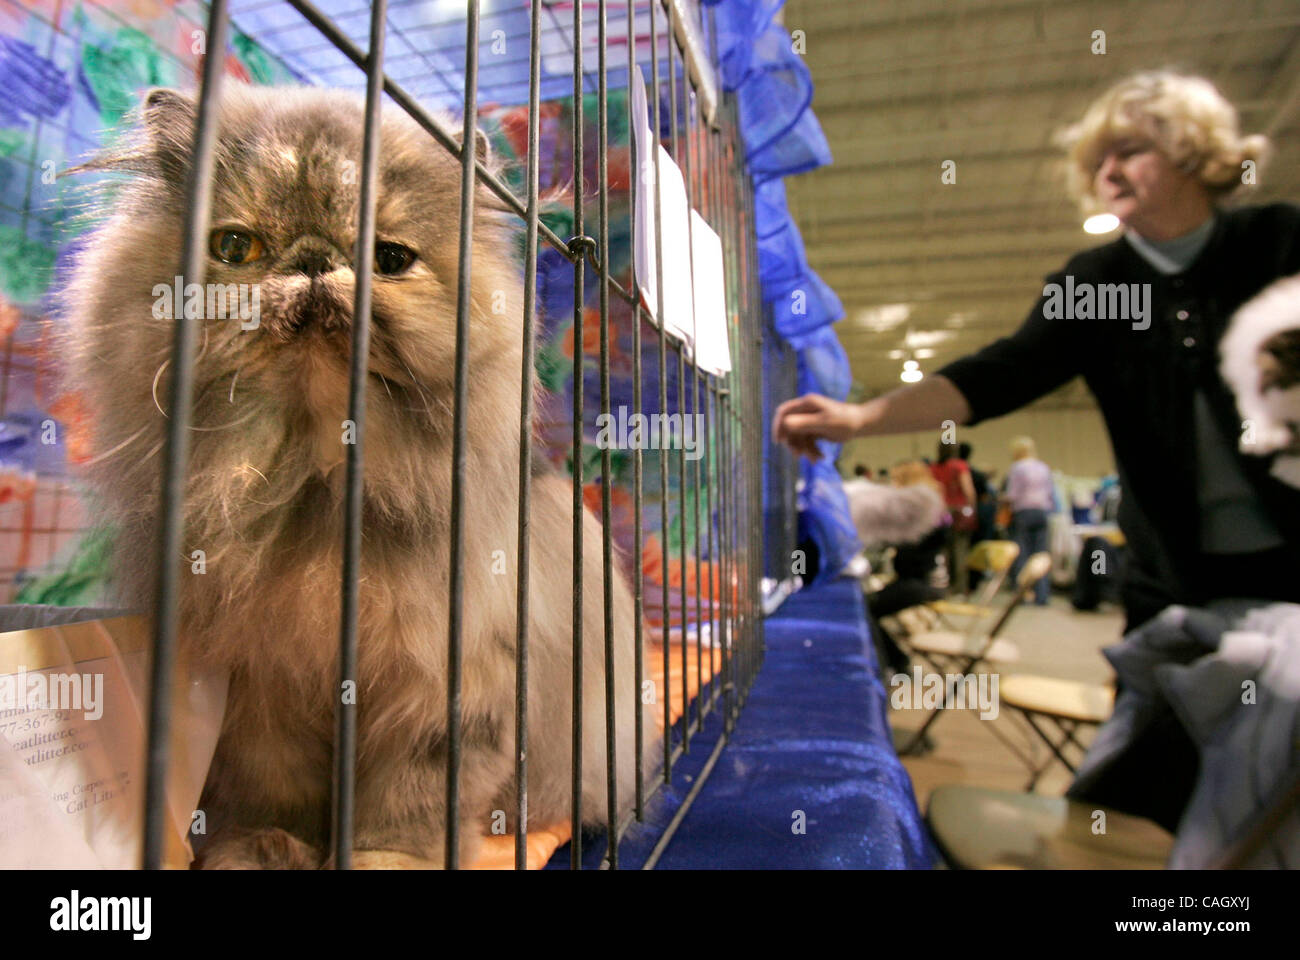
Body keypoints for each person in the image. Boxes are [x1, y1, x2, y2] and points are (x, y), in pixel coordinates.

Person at [772, 70, 1300, 827]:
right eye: (1099, 160)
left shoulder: (1278, 242)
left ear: (1192, 150)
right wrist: (858, 420)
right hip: (1176, 591)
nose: (1108, 172)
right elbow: (998, 373)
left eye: (1130, 149)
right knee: (1144, 806)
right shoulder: (1098, 282)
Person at [1003, 436, 1054, 604]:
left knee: (1021, 555)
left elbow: (1012, 494)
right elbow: (1050, 494)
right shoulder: (1044, 467)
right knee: (1041, 556)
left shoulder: (1017, 468)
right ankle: (1042, 596)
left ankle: (1022, 596)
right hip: (1042, 513)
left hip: (1023, 513)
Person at [929, 442, 977, 593]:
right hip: (957, 512)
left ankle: (943, 585)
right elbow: (968, 489)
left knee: (943, 551)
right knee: (960, 550)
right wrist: (972, 508)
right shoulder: (960, 466)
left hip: (940, 512)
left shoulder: (933, 468)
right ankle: (960, 587)